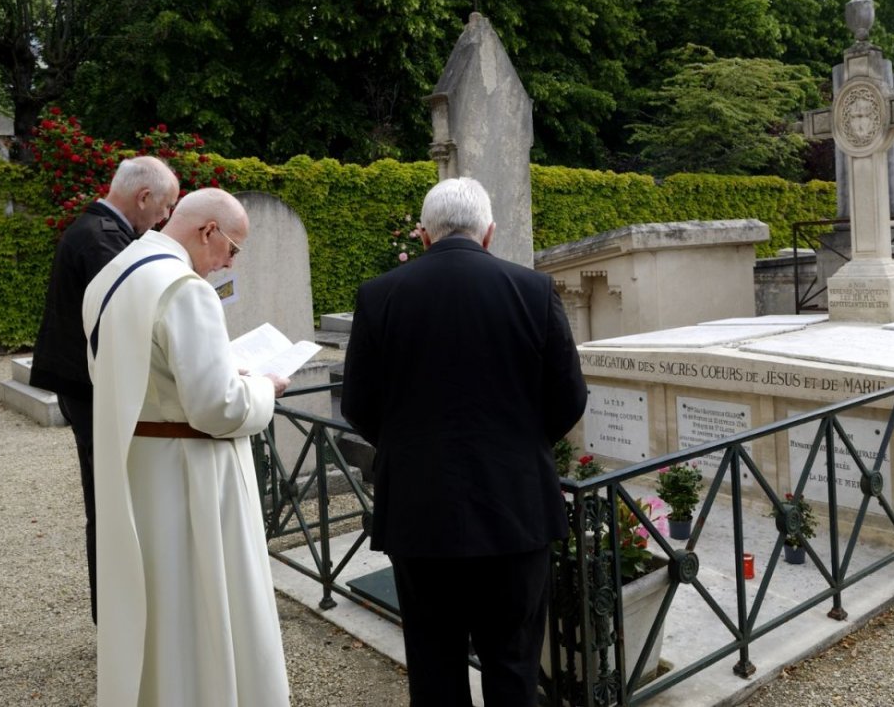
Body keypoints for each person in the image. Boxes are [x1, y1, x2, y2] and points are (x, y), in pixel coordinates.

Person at [340, 177, 587, 706]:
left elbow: (359, 405)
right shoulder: (534, 291)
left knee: (433, 664)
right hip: (515, 507)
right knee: (514, 663)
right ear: (489, 233)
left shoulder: (379, 295)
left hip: (418, 508)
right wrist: (519, 446)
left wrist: (412, 449)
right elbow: (569, 398)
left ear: (424, 236)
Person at [82, 188, 291, 707]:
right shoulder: (184, 288)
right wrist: (264, 388)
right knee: (202, 606)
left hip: (141, 466)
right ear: (208, 232)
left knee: (160, 607)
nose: (227, 264)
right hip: (192, 473)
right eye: (233, 249)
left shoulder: (115, 273)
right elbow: (215, 408)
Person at [29, 156, 179, 624]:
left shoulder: (96, 230)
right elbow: (135, 312)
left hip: (82, 385)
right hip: (92, 390)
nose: (166, 218)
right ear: (143, 198)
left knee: (109, 497)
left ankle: (117, 613)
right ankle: (116, 617)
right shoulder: (103, 241)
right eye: (166, 207)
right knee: (112, 502)